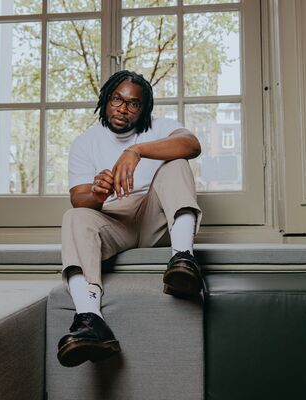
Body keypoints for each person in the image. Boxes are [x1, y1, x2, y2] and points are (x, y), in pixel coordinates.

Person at [57, 70, 205, 368]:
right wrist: (98, 193)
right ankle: (90, 319)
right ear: (105, 99)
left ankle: (183, 261)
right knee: (75, 216)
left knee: (176, 163)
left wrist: (135, 151)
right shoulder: (85, 143)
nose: (123, 109)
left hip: (156, 218)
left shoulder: (160, 127)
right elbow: (79, 199)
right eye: (116, 99)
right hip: (115, 220)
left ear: (144, 108)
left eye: (133, 104)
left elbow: (192, 144)